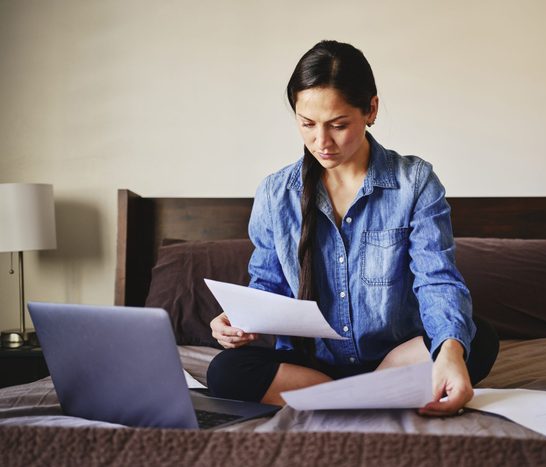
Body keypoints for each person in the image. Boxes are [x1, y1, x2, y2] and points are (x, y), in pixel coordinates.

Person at [207, 40, 499, 416]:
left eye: (338, 125)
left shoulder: (415, 182)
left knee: (474, 336)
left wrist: (450, 351)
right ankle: (370, 394)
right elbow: (268, 287)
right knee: (224, 372)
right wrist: (238, 321)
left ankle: (349, 395)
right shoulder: (275, 193)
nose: (321, 142)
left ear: (371, 109)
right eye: (307, 124)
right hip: (311, 366)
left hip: (396, 357)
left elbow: (437, 279)